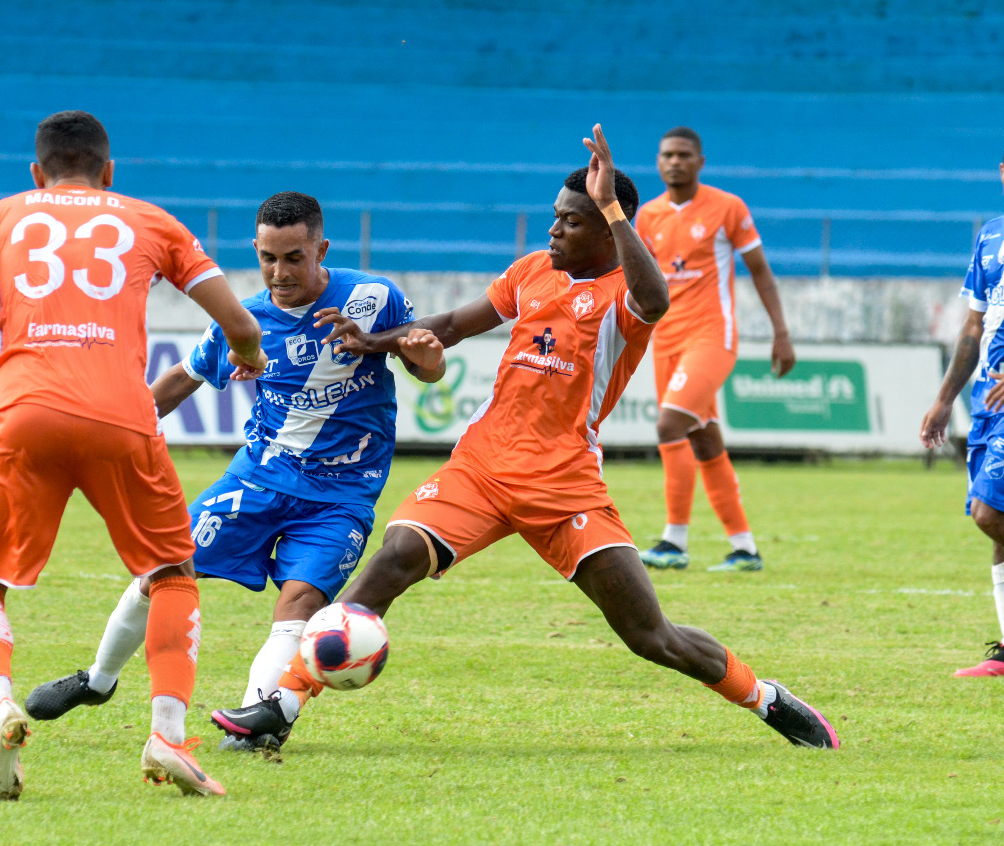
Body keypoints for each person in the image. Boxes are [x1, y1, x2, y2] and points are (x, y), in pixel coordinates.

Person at [209, 125, 840, 752]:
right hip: (480, 466)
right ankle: (279, 706)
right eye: (554, 217)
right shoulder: (534, 270)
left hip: (564, 482)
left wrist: (617, 208)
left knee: (651, 637)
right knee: (392, 561)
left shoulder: (626, 294)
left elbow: (658, 298)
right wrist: (376, 341)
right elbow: (454, 324)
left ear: (605, 228)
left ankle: (766, 698)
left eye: (569, 221)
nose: (553, 230)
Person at [24, 191, 445, 751]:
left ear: (321, 248)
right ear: (255, 249)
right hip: (255, 481)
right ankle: (98, 681)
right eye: (268, 257)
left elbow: (425, 365)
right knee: (163, 571)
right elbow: (180, 379)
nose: (279, 271)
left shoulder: (373, 297)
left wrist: (429, 358)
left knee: (300, 602)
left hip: (342, 495)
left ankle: (257, 724)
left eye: (294, 257)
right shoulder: (244, 321)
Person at [0, 110, 266, 800]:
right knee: (173, 573)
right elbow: (239, 323)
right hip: (122, 416)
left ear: (37, 172)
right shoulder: (150, 220)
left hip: (20, 414)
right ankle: (167, 736)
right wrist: (248, 355)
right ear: (109, 171)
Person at [632, 127, 795, 573]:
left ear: (701, 161)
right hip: (665, 341)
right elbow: (639, 281)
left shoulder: (727, 207)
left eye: (684, 154)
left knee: (669, 425)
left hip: (711, 338)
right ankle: (745, 547)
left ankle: (674, 540)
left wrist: (781, 332)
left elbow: (760, 270)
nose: (675, 161)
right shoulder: (647, 216)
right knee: (704, 439)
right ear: (658, 161)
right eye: (667, 154)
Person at [921, 154, 1004, 676]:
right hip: (987, 400)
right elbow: (973, 328)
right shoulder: (991, 235)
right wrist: (946, 397)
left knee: (990, 513)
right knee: (999, 523)